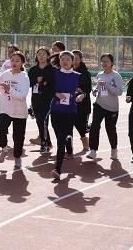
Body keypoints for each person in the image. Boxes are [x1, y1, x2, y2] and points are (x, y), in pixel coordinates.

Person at [50, 51, 86, 179]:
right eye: (62, 59)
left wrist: (81, 95)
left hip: (69, 112)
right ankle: (67, 140)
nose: (65, 61)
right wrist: (56, 93)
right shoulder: (55, 73)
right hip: (55, 110)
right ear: (59, 61)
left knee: (59, 141)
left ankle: (57, 169)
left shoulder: (78, 76)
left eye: (68, 59)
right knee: (59, 136)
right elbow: (48, 88)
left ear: (72, 62)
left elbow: (82, 90)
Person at [0, 51, 30, 169]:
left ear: (22, 63)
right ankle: (4, 149)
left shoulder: (24, 77)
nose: (14, 63)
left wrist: (10, 90)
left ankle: (17, 157)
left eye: (17, 61)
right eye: (12, 60)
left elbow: (22, 96)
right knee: (1, 129)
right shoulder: (4, 74)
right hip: (5, 108)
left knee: (18, 137)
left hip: (19, 111)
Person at [89, 53, 123, 161]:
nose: (104, 63)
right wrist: (95, 90)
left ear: (112, 63)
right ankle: (93, 150)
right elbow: (97, 87)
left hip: (112, 108)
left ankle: (114, 148)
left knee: (110, 129)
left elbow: (119, 92)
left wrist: (107, 85)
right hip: (99, 104)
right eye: (103, 61)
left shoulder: (116, 76)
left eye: (107, 61)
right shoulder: (99, 74)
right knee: (94, 126)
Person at [28, 47, 55, 154]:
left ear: (48, 56)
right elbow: (29, 83)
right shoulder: (33, 70)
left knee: (41, 119)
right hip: (35, 99)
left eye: (44, 54)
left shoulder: (52, 70)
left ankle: (44, 143)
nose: (41, 56)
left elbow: (52, 84)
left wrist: (43, 82)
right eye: (39, 54)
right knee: (41, 122)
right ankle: (48, 143)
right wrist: (37, 80)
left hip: (48, 99)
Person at [72, 50, 93, 152]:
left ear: (81, 60)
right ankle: (69, 145)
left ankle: (89, 131)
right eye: (73, 59)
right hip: (70, 102)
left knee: (81, 125)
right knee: (71, 122)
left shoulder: (85, 73)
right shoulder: (67, 71)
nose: (74, 61)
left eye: (76, 59)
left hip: (83, 103)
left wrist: (82, 93)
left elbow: (88, 89)